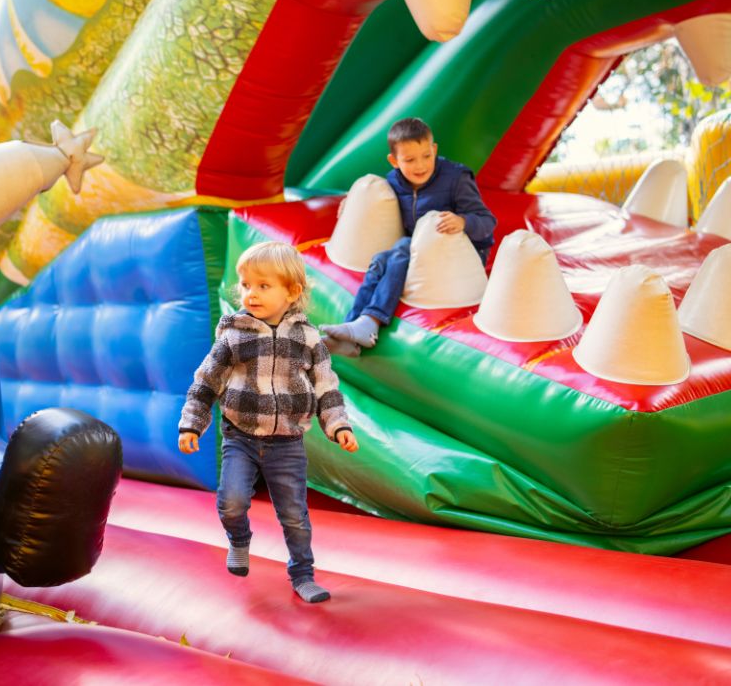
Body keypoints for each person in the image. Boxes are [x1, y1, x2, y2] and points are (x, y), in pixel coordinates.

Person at [178, 241, 358, 604]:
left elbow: (326, 386)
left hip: (287, 443)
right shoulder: (233, 335)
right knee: (232, 502)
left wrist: (338, 424)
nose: (251, 294)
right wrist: (192, 423)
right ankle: (239, 540)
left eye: (263, 286)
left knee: (294, 514)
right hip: (240, 437)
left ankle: (303, 574)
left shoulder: (307, 339)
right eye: (246, 285)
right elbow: (206, 381)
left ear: (292, 292)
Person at [321, 117, 496, 356]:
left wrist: (463, 221)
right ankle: (351, 329)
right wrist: (351, 205)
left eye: (426, 156)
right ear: (394, 161)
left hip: (463, 257)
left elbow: (487, 222)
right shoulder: (395, 181)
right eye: (410, 160)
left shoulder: (456, 178)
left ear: (434, 149)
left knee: (402, 246)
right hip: (419, 251)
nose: (421, 165)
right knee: (381, 260)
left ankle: (370, 322)